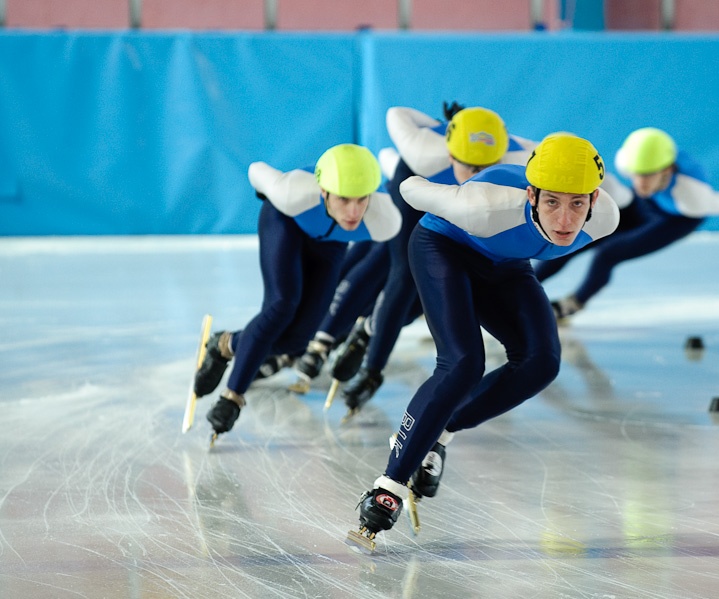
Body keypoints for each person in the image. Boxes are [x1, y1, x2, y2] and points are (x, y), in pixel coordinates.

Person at [347, 133, 620, 550]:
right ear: (531, 195)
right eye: (551, 202)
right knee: (462, 363)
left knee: (541, 361)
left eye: (577, 203)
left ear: (595, 200)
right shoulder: (485, 205)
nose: (564, 220)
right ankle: (388, 483)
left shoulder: (606, 219)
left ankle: (439, 432)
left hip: (504, 264)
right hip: (444, 246)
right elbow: (410, 188)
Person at [292, 103, 535, 414]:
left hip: (463, 204)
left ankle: (367, 330)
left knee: (440, 285)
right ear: (449, 154)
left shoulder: (522, 156)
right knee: (404, 273)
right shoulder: (423, 151)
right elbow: (395, 112)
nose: (477, 174)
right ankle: (364, 366)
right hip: (416, 186)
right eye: (469, 166)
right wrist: (436, 123)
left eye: (486, 166)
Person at [192, 144, 401, 440]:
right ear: (324, 191)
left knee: (299, 339)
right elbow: (256, 170)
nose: (354, 211)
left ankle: (225, 345)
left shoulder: (385, 220)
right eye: (343, 199)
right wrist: (266, 192)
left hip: (329, 246)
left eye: (361, 199)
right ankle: (232, 395)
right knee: (281, 306)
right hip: (285, 224)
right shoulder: (293, 192)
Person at [533, 127, 719, 320]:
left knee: (608, 254)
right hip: (647, 203)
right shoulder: (626, 163)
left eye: (648, 175)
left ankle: (572, 304)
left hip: (677, 219)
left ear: (668, 171)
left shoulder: (693, 197)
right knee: (575, 239)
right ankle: (524, 288)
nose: (641, 182)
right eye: (636, 174)